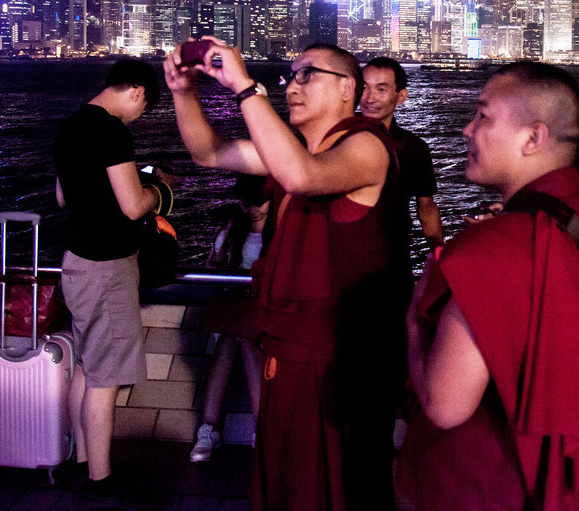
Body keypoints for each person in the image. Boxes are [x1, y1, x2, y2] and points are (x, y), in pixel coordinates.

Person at [401, 62, 579, 510]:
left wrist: (413, 324)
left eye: (482, 116)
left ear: (533, 138)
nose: (466, 130)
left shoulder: (490, 249)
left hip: (489, 478)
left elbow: (445, 406)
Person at [165, 39, 403, 511]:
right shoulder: (294, 152)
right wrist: (183, 92)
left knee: (332, 488)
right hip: (285, 347)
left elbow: (302, 177)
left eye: (306, 75)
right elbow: (208, 152)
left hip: (337, 360)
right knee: (284, 484)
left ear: (346, 90)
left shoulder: (368, 147)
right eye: (289, 77)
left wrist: (244, 86)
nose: (292, 86)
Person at [53, 59, 165, 498]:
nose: (139, 116)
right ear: (137, 92)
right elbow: (134, 207)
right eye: (144, 108)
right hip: (107, 268)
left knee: (86, 366)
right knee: (104, 379)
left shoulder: (71, 126)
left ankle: (82, 462)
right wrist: (159, 191)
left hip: (76, 262)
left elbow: (64, 197)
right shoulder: (112, 129)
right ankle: (102, 480)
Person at [189, 174, 268, 463]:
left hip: (262, 313)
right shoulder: (233, 231)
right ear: (240, 203)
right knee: (234, 340)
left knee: (236, 340)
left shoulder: (281, 231)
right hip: (238, 310)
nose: (255, 209)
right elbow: (214, 266)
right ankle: (259, 432)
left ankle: (210, 430)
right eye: (249, 203)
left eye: (262, 202)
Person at [360, 57, 445, 251]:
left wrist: (439, 254)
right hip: (341, 250)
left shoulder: (413, 148)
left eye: (381, 90)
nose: (369, 98)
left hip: (393, 250)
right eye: (364, 88)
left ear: (401, 97)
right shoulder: (339, 137)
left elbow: (426, 208)